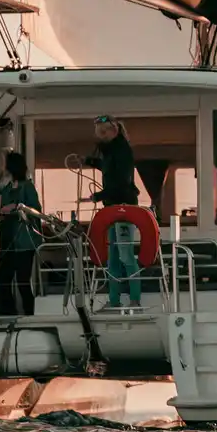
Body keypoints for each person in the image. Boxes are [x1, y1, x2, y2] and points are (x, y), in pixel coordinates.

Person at [82, 116, 143, 309]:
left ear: (113, 131)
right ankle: (114, 300)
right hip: (111, 208)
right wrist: (90, 161)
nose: (100, 136)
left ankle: (135, 299)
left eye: (103, 132)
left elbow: (121, 180)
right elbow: (109, 169)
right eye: (99, 133)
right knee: (113, 257)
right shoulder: (111, 151)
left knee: (125, 255)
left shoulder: (123, 150)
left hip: (124, 207)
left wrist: (100, 195)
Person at [0, 152, 42, 316]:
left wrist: (15, 208)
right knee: (3, 281)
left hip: (24, 241)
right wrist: (0, 215)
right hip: (7, 240)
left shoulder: (27, 187)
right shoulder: (6, 189)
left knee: (23, 281)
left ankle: (30, 314)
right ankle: (7, 313)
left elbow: (36, 210)